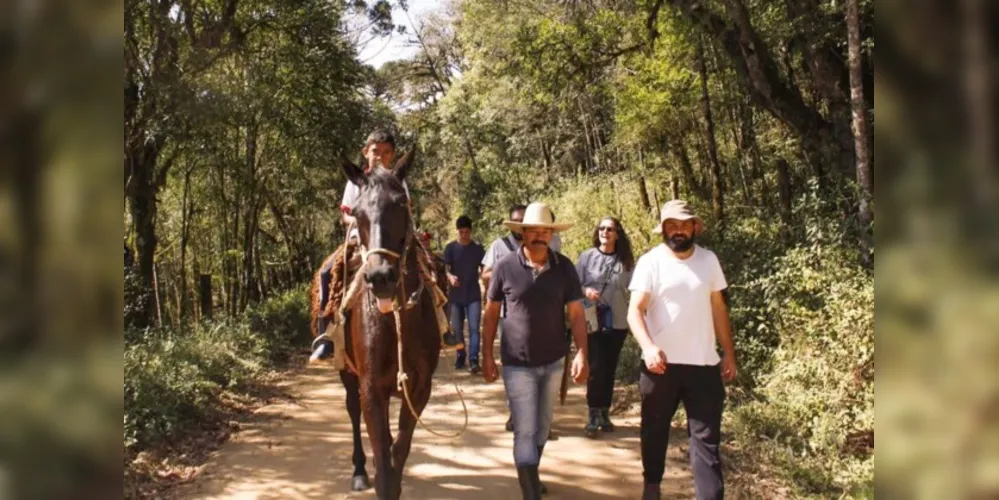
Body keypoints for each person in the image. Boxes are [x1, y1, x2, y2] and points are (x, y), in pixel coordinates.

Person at [313, 130, 456, 365]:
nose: (380, 156)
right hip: (361, 240)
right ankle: (326, 334)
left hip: (393, 242)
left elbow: (405, 211)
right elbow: (345, 216)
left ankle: (442, 326)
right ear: (365, 153)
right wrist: (362, 220)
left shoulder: (398, 179)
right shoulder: (356, 180)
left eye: (386, 152)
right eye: (375, 151)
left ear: (393, 155)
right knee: (328, 272)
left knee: (433, 266)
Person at [627, 200, 737, 500]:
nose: (678, 231)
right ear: (663, 230)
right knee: (654, 429)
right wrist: (648, 348)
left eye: (683, 225)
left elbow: (718, 308)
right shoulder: (651, 262)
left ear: (695, 227)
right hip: (660, 366)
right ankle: (652, 486)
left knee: (706, 439)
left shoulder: (709, 260)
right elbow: (634, 311)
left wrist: (728, 352)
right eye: (671, 226)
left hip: (703, 364)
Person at [481, 202, 589, 500]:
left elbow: (577, 315)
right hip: (517, 364)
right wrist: (487, 355)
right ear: (522, 234)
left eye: (545, 231)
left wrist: (581, 353)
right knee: (525, 430)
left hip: (554, 362)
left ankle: (531, 473)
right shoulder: (504, 267)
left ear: (551, 234)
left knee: (542, 430)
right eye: (533, 231)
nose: (540, 236)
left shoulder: (564, 267)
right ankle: (531, 493)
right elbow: (491, 314)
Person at [576, 216, 635, 438]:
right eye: (601, 228)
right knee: (596, 367)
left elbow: (636, 288)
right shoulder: (586, 257)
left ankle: (604, 411)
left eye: (610, 229)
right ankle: (593, 412)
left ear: (617, 234)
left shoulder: (626, 261)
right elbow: (573, 283)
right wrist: (585, 292)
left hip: (618, 321)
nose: (605, 232)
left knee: (609, 369)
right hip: (592, 321)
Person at [480, 204, 527, 432]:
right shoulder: (499, 246)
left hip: (536, 313)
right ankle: (515, 411)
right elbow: (485, 273)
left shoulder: (542, 242)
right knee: (513, 363)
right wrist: (505, 269)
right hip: (506, 313)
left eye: (523, 220)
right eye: (516, 220)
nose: (519, 224)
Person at [444, 215, 486, 373]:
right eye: (461, 232)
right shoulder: (450, 248)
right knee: (457, 329)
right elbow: (446, 268)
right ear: (457, 232)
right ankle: (461, 355)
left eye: (467, 232)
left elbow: (484, 269)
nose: (464, 235)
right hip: (456, 296)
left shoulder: (478, 249)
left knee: (474, 328)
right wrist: (450, 276)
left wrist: (485, 281)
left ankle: (474, 360)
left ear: (471, 231)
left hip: (473, 295)